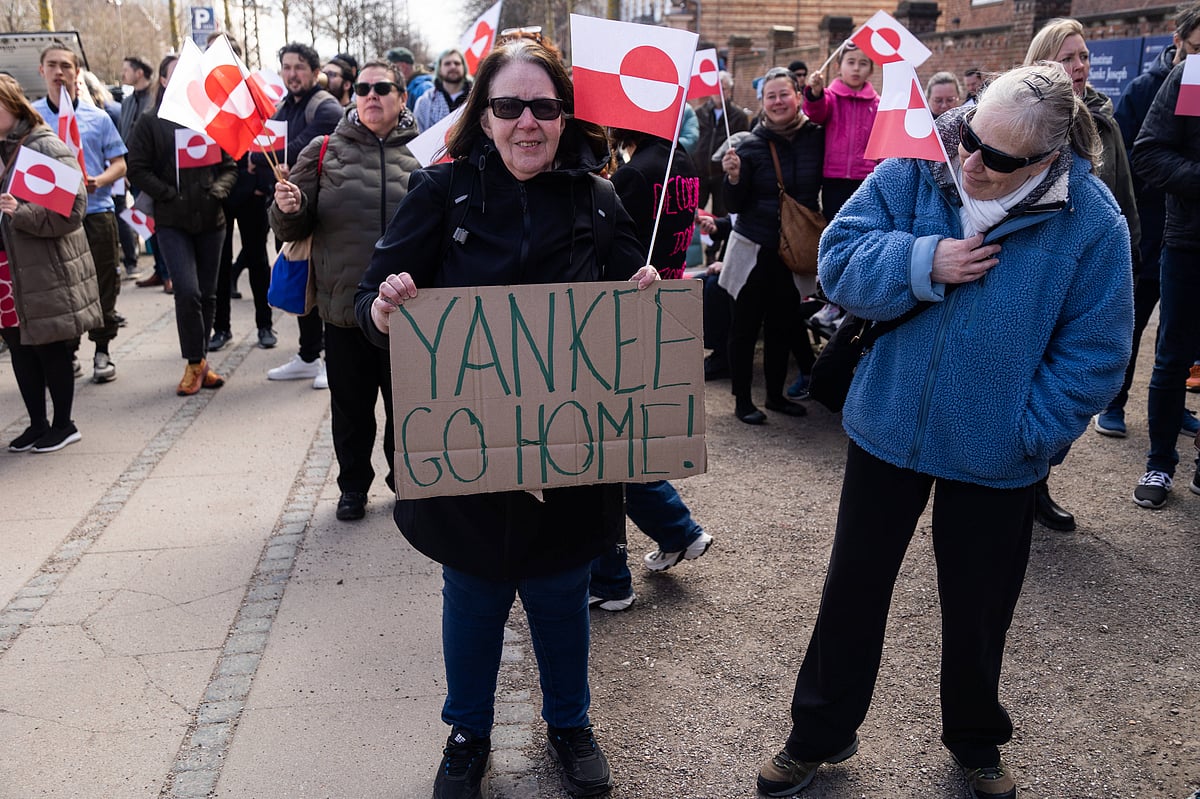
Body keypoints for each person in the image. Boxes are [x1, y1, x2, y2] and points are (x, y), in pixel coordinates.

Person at [754, 64, 1132, 798]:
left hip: (999, 454)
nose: (969, 161)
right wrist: (927, 260)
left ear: (1049, 158)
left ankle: (976, 741)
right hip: (887, 425)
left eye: (996, 158)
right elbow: (837, 260)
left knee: (980, 604)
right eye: (969, 137)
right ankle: (820, 732)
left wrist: (1032, 432)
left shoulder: (1092, 221)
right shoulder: (921, 160)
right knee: (853, 588)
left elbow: (1096, 353)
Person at [354, 38, 659, 799]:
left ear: (564, 116)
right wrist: (386, 310)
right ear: (482, 115)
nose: (528, 122)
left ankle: (570, 724)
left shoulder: (599, 198)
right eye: (509, 106)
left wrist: (650, 296)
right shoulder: (441, 191)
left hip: (571, 449)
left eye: (544, 107)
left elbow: (635, 304)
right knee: (477, 590)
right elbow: (367, 303)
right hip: (468, 447)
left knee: (561, 590)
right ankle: (468, 734)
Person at [270, 61, 420, 522]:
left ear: (401, 97)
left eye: (382, 88)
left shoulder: (427, 152)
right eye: (363, 88)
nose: (371, 95)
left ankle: (409, 485)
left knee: (407, 407)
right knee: (351, 408)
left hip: (408, 310)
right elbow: (290, 225)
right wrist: (289, 207)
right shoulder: (323, 150)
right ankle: (353, 486)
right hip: (342, 307)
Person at [1023, 18, 1148, 531]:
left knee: (1071, 379)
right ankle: (1016, 481)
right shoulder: (1025, 115)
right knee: (1028, 375)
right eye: (1066, 57)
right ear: (1041, 62)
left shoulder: (1104, 119)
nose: (1078, 67)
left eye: (1084, 57)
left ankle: (1037, 478)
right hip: (1038, 269)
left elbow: (1121, 195)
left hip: (1090, 270)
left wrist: (1130, 251)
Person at [587, 127, 714, 612]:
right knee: (621, 442)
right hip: (664, 307)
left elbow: (614, 249)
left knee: (604, 449)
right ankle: (677, 531)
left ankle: (611, 577)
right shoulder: (679, 161)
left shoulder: (633, 176)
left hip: (628, 315)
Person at [1101, 3, 1200, 435]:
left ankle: (1173, 408)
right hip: (1152, 224)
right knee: (1135, 320)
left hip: (1184, 223)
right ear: (1177, 42)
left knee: (1177, 337)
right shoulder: (1149, 87)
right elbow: (1130, 155)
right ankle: (1114, 402)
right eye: (1196, 47)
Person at [126, 54, 238, 395]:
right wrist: (167, 194)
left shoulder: (210, 119)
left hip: (211, 221)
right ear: (162, 81)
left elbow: (230, 166)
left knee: (208, 294)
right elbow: (136, 168)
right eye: (175, 75)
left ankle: (199, 363)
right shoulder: (149, 123)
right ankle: (194, 361)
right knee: (186, 291)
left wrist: (216, 191)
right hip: (172, 222)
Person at [0, 75, 101, 453]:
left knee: (50, 346)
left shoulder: (43, 145)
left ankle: (64, 423)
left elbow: (71, 211)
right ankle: (37, 423)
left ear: (13, 105)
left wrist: (19, 212)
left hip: (43, 266)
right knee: (18, 346)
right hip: (7, 270)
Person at [720, 67, 822, 424]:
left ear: (797, 95)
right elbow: (733, 205)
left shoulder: (816, 137)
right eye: (770, 96)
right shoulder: (747, 145)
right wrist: (733, 177)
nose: (778, 102)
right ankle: (743, 400)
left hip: (793, 252)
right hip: (753, 248)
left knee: (783, 324)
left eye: (784, 94)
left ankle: (776, 396)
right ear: (762, 103)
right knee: (744, 328)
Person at [33, 43, 127, 385]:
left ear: (76, 73)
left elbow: (120, 164)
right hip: (53, 217)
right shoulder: (32, 117)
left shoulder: (97, 117)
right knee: (61, 286)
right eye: (52, 66)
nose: (59, 73)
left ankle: (102, 349)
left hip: (96, 212)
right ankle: (67, 351)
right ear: (42, 71)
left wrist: (98, 180)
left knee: (103, 281)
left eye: (66, 67)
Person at [1130, 51, 1200, 507]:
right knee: (1173, 359)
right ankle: (1160, 464)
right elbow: (1150, 153)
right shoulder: (1194, 76)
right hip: (1191, 243)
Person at [258, 43, 342, 390]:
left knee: (322, 288)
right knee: (299, 285)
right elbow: (271, 149)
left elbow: (295, 149)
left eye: (299, 67)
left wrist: (265, 157)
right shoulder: (282, 107)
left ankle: (327, 360)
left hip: (319, 213)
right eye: (286, 67)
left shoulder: (325, 107)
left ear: (314, 71)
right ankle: (308, 356)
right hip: (290, 211)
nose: (292, 74)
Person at [210, 35, 275, 353]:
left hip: (252, 192)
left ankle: (265, 325)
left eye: (229, 54)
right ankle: (221, 328)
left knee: (258, 259)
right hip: (217, 192)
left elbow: (273, 134)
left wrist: (265, 180)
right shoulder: (202, 96)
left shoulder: (253, 91)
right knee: (219, 264)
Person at [802, 42, 879, 220]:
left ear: (871, 70)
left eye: (863, 63)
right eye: (850, 62)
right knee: (834, 225)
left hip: (866, 179)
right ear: (838, 67)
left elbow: (881, 142)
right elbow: (816, 114)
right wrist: (815, 92)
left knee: (863, 226)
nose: (856, 69)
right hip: (833, 177)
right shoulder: (829, 97)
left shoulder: (877, 104)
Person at [117, 55, 156, 280]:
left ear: (139, 72)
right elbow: (123, 134)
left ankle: (165, 270)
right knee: (142, 220)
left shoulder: (154, 99)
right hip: (132, 171)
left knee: (156, 220)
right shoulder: (128, 101)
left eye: (126, 70)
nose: (123, 75)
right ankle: (158, 271)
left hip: (151, 171)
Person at [694, 71, 750, 216]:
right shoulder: (700, 113)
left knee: (720, 214)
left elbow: (744, 144)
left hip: (722, 173)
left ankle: (716, 239)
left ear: (729, 91)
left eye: (723, 88)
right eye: (716, 88)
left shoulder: (739, 116)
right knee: (694, 212)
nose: (719, 92)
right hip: (701, 172)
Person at [413, 48, 472, 131]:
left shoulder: (477, 97)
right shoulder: (425, 101)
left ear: (464, 67)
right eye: (447, 64)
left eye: (457, 63)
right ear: (439, 69)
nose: (453, 66)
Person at [386, 46, 433, 110]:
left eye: (392, 68)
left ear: (403, 67)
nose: (389, 72)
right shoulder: (410, 86)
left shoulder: (423, 88)